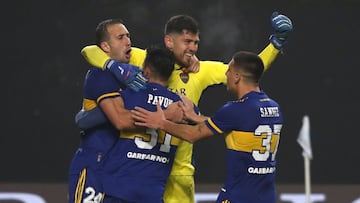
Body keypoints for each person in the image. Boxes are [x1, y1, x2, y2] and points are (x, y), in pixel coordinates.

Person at [78, 12, 292, 203]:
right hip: (144, 172)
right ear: (169, 41)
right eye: (187, 41)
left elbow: (245, 73)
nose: (192, 48)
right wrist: (112, 66)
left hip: (179, 174)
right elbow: (91, 51)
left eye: (196, 43)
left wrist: (275, 45)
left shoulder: (202, 71)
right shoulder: (146, 58)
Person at [132, 51, 283, 203]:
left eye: (229, 70)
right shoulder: (273, 107)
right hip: (266, 195)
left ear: (237, 77)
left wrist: (162, 123)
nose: (226, 74)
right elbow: (235, 125)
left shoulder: (235, 109)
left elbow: (193, 135)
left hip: (239, 194)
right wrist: (194, 117)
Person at [67, 18, 168, 203]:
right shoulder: (100, 74)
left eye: (128, 36)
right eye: (120, 37)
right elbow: (120, 121)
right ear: (105, 46)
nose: (128, 41)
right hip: (94, 165)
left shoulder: (137, 70)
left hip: (120, 169)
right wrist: (164, 116)